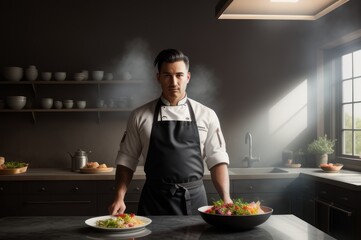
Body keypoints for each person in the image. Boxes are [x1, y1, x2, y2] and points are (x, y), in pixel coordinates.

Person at [108, 49, 232, 216]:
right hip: (154, 201)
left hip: (194, 201)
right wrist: (119, 197)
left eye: (179, 75)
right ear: (158, 78)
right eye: (167, 75)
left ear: (188, 77)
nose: (174, 82)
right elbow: (126, 160)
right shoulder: (140, 116)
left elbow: (217, 160)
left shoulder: (207, 115)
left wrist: (226, 198)